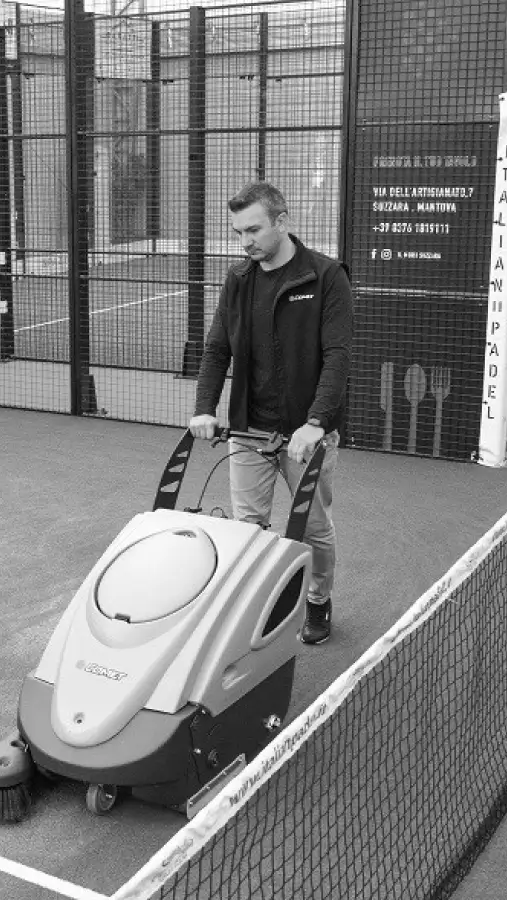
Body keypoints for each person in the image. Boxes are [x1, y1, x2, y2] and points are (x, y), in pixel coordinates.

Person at [189, 181, 353, 645]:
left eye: (254, 229)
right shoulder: (238, 281)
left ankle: (318, 602)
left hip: (308, 436)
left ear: (282, 221)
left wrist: (316, 423)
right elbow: (217, 349)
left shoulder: (324, 277)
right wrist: (205, 409)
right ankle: (254, 615)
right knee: (249, 530)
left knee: (314, 529)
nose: (246, 242)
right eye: (239, 231)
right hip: (247, 429)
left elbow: (338, 356)